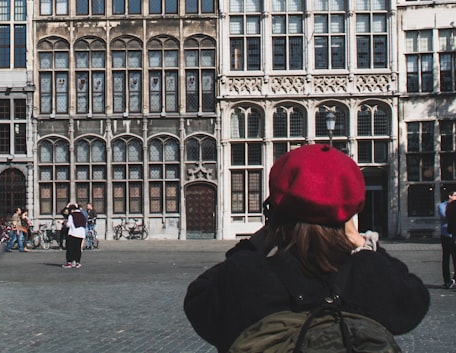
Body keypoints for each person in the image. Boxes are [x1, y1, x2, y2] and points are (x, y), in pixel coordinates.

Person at [184, 144, 429, 352]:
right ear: (351, 214)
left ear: (274, 212)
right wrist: (362, 244)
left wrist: (255, 243)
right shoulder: (371, 276)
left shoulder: (246, 274)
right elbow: (415, 300)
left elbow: (198, 300)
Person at [438, 188, 456, 287]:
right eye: (455, 195)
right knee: (446, 258)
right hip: (446, 235)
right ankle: (447, 280)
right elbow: (445, 216)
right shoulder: (442, 206)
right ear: (450, 196)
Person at [63, 203, 87, 269]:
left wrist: (64, 223)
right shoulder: (82, 215)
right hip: (81, 234)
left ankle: (69, 262)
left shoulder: (71, 215)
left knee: (70, 248)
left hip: (73, 233)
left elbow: (69, 224)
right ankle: (77, 262)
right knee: (78, 248)